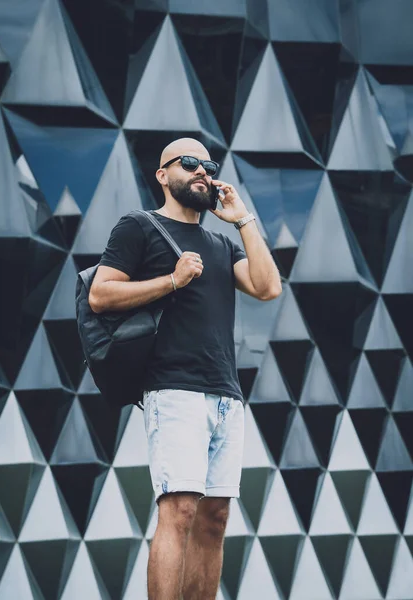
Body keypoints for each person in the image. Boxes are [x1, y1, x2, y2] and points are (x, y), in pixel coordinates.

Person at [88, 138, 282, 600]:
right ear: (162, 175)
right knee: (178, 511)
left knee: (214, 519)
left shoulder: (219, 242)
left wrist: (242, 220)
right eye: (189, 162)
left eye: (208, 165)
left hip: (226, 394)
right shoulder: (139, 226)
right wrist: (172, 280)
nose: (202, 171)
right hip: (174, 390)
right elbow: (101, 293)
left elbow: (267, 286)